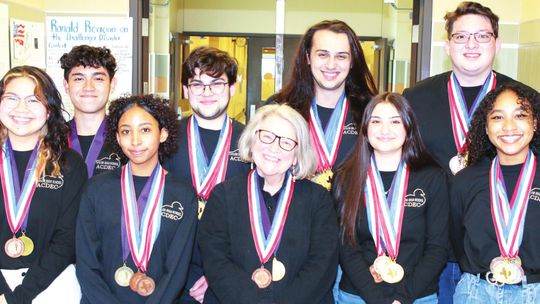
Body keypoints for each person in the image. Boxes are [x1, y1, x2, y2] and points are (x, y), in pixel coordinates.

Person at [402, 3, 524, 301]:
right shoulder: (415, 97)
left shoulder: (523, 101)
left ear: (497, 43)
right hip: (432, 249)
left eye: (482, 36)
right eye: (461, 37)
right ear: (448, 45)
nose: (471, 44)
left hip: (497, 252)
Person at [198, 104, 338, 303]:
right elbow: (215, 261)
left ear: (297, 153)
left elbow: (322, 266)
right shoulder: (223, 196)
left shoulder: (318, 200)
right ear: (252, 139)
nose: (274, 148)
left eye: (287, 142)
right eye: (267, 136)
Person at [76, 95, 198, 303]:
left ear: (163, 134)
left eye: (145, 130)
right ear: (117, 137)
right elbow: (86, 264)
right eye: (126, 131)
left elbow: (177, 269)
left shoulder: (184, 194)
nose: (135, 140)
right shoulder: (96, 189)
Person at [333, 93, 448, 304]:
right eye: (376, 121)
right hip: (358, 296)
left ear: (408, 127)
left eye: (395, 121)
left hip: (416, 296)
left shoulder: (432, 177)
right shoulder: (346, 177)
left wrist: (402, 299)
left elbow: (437, 248)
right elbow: (346, 247)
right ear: (366, 128)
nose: (385, 130)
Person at [164, 46, 250, 303]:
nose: (207, 92)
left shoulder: (252, 142)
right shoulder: (165, 139)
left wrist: (219, 274)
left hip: (231, 270)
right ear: (185, 90)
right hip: (173, 271)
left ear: (233, 87)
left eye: (217, 83)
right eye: (198, 85)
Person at [0, 66, 87, 303]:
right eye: (11, 98)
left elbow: (67, 240)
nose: (21, 109)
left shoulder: (69, 163)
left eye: (33, 100)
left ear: (49, 110)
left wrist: (20, 297)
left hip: (53, 286)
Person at [451, 83, 540, 303]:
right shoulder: (465, 181)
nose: (509, 126)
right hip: (475, 292)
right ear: (486, 127)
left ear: (535, 123)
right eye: (498, 117)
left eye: (520, 115)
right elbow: (456, 239)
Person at [273, 19, 378, 190]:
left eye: (341, 56)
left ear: (352, 62)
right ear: (308, 57)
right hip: (293, 214)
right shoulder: (280, 108)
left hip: (353, 215)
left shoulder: (372, 110)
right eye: (322, 54)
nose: (331, 64)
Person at [60, 45, 121, 177]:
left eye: (98, 78)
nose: (88, 87)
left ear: (112, 84)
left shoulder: (126, 138)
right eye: (79, 79)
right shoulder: (54, 139)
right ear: (66, 86)